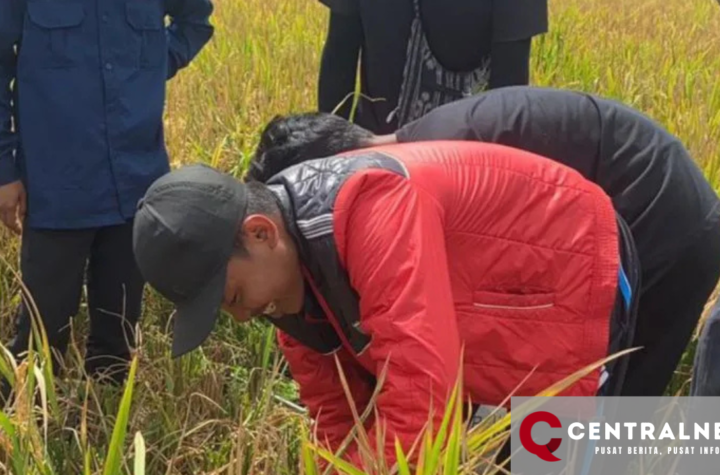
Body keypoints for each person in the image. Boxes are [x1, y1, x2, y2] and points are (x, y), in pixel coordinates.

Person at [132, 141, 640, 468]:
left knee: (551, 455)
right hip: (475, 309)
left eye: (235, 298)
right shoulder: (287, 280)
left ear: (261, 233)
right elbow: (336, 414)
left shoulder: (373, 208)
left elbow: (421, 396)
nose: (242, 316)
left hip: (565, 270)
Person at [248, 85, 720, 398]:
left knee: (611, 410)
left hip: (663, 223)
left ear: (336, 167)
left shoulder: (443, 161)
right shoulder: (423, 157)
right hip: (628, 224)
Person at [0, 0, 214, 399]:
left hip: (135, 180)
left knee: (117, 338)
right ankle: (27, 434)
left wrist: (153, 66)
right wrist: (4, 168)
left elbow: (196, 20)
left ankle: (103, 432)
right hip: (57, 183)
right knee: (40, 342)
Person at [317, 0, 548, 134]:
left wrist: (329, 159)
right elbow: (508, 99)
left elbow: (339, 57)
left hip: (374, 157)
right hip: (461, 170)